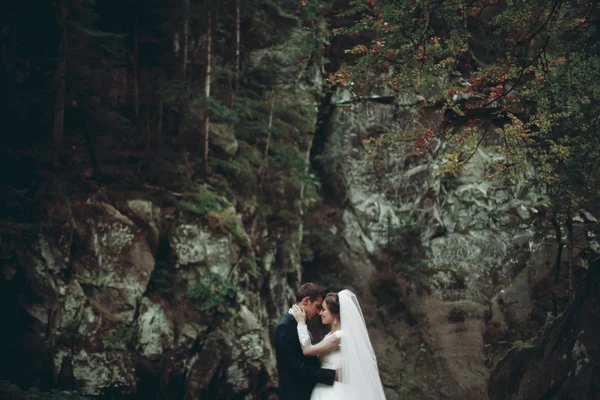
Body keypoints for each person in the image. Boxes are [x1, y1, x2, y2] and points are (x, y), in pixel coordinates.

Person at [289, 290, 386, 400]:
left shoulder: (339, 336)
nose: (320, 313)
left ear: (335, 313)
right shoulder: (331, 336)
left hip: (334, 391)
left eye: (324, 310)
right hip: (324, 387)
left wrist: (301, 323)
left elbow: (307, 350)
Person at [273, 283, 339, 400]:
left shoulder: (301, 322)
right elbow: (297, 368)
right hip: (295, 395)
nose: (319, 313)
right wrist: (332, 375)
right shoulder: (284, 328)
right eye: (318, 306)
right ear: (306, 301)